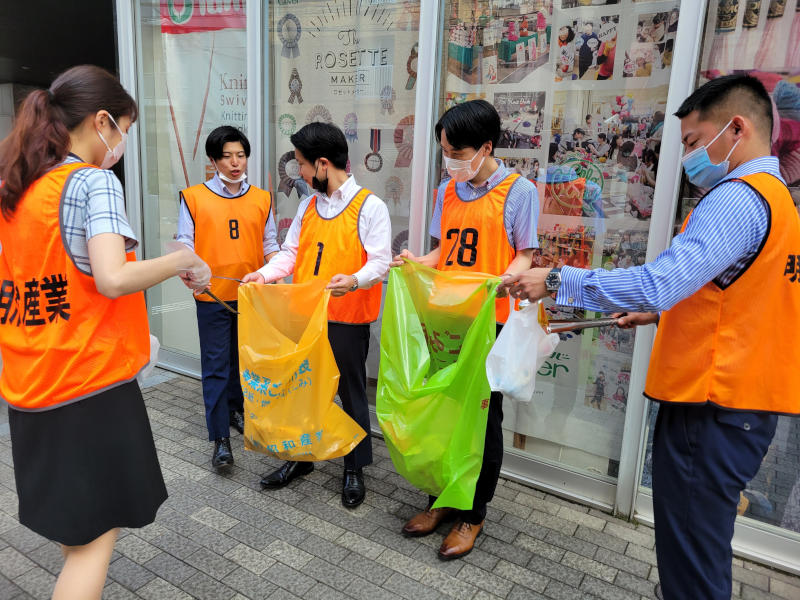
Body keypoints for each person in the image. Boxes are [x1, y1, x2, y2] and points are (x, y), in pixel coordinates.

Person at [502, 74, 800, 600]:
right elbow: (743, 298)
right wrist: (661, 317)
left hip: (712, 406)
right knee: (702, 545)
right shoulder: (779, 201)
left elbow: (659, 282)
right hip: (744, 404)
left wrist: (556, 279)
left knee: (691, 557)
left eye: (692, 142)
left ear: (736, 128)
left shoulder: (738, 199)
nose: (688, 158)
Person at [0, 65, 211, 600]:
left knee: (80, 537)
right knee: (93, 545)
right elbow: (113, 276)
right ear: (101, 123)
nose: (120, 146)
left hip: (30, 385)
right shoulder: (90, 182)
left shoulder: (17, 189)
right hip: (87, 389)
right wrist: (182, 259)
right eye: (123, 130)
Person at [391, 99, 538, 560]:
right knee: (445, 413)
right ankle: (440, 499)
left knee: (482, 421)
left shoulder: (519, 192)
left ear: (485, 147)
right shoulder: (446, 191)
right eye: (444, 151)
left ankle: (473, 513)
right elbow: (443, 254)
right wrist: (417, 262)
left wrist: (506, 278)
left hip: (488, 326)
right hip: (448, 320)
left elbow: (525, 257)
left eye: (456, 152)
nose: (449, 160)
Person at [241, 123, 391, 508]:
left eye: (305, 166)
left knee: (351, 393)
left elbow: (381, 263)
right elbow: (292, 253)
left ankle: (354, 467)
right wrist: (264, 273)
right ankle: (300, 458)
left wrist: (355, 280)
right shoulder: (309, 205)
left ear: (324, 164)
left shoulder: (370, 207)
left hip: (347, 318)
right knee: (303, 389)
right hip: (306, 316)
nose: (302, 175)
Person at [177, 126, 279, 469]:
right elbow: (184, 246)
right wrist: (189, 273)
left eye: (240, 155)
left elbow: (270, 245)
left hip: (251, 295)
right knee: (217, 366)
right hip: (212, 298)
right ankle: (220, 438)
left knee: (243, 361)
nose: (235, 163)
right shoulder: (193, 197)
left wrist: (275, 275)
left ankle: (236, 411)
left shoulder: (262, 198)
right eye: (226, 156)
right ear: (213, 160)